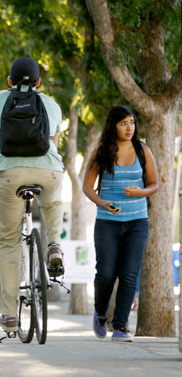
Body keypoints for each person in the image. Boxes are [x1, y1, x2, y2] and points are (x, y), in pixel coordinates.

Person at [0, 57, 64, 333]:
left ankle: (10, 314)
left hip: (9, 174)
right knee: (52, 202)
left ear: (9, 81)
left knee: (8, 243)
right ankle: (53, 245)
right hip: (48, 172)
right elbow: (54, 147)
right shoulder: (51, 105)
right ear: (38, 82)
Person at [83, 106, 158, 343]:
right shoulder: (102, 152)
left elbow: (155, 184)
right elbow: (87, 186)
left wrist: (141, 192)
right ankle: (100, 312)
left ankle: (121, 327)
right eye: (123, 123)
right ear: (113, 126)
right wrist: (102, 203)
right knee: (105, 273)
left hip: (137, 221)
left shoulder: (143, 150)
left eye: (132, 123)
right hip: (107, 222)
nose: (129, 128)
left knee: (128, 274)